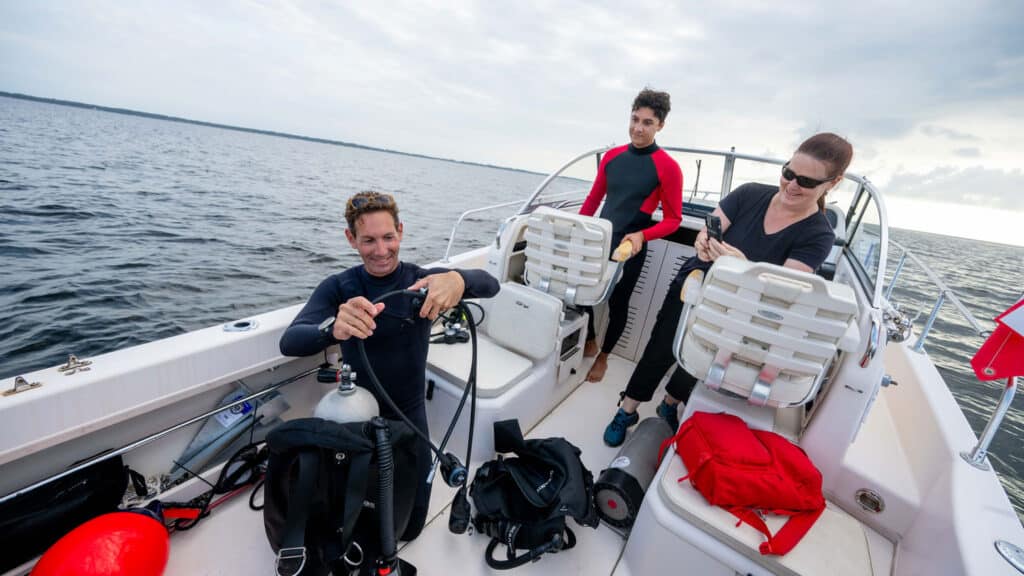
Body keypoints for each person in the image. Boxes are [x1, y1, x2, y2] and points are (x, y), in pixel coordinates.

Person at [602, 133, 852, 446]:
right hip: (696, 284)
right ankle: (628, 408)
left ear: (833, 183)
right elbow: (708, 230)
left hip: (743, 309)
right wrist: (703, 244)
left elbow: (783, 292)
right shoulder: (749, 194)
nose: (791, 185)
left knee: (703, 358)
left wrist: (743, 267)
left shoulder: (818, 235)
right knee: (660, 348)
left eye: (805, 181)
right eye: (788, 173)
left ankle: (670, 404)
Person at [279, 191, 500, 540]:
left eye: (388, 237)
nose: (381, 251)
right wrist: (333, 325)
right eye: (368, 240)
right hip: (356, 415)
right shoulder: (339, 287)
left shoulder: (421, 281)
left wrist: (458, 280)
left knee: (413, 522)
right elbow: (290, 340)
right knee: (353, 500)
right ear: (351, 239)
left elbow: (491, 285)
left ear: (400, 231)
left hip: (410, 412)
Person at [580, 87, 683, 383]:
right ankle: (589, 338)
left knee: (618, 303)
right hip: (599, 239)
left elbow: (674, 220)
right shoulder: (612, 157)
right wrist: (575, 231)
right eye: (635, 119)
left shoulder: (668, 168)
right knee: (583, 292)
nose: (638, 128)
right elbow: (592, 201)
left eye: (647, 122)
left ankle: (604, 356)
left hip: (631, 245)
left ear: (660, 125)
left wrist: (642, 236)